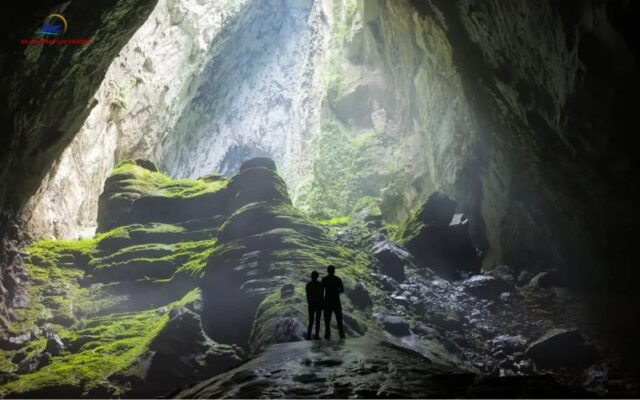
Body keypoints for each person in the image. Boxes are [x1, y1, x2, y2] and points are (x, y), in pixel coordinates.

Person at [322, 265, 345, 339]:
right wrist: (336, 291)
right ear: (334, 271)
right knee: (339, 319)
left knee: (327, 320)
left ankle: (327, 335)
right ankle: (341, 335)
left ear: (327, 271)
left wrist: (322, 301)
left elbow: (321, 291)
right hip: (336, 301)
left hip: (327, 301)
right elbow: (342, 290)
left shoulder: (325, 279)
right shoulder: (337, 279)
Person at [305, 271, 323, 340]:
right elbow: (322, 295)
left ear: (311, 276)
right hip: (318, 304)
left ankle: (308, 336)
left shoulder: (308, 284)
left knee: (311, 321)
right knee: (317, 320)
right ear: (317, 276)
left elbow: (307, 295)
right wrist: (322, 304)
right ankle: (317, 335)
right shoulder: (320, 284)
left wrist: (309, 302)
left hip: (311, 304)